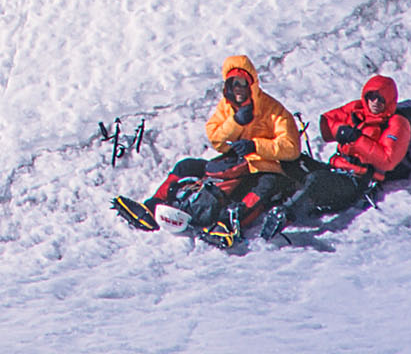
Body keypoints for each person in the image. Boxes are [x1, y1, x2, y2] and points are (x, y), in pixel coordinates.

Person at [112, 54, 299, 247]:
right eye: (233, 83)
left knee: (264, 187)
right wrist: (235, 122)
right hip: (235, 163)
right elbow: (216, 138)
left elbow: (292, 147)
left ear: (251, 84)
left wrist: (256, 146)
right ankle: (151, 207)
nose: (238, 88)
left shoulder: (273, 110)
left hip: (265, 167)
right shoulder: (226, 107)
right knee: (186, 166)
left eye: (243, 83)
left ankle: (227, 225)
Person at [257, 73, 411, 240]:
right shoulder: (358, 109)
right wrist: (340, 130)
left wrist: (358, 139)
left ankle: (285, 214)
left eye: (381, 99)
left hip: (356, 181)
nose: (375, 102)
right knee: (291, 161)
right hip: (335, 170)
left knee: (317, 180)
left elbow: (387, 160)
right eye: (372, 96)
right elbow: (326, 123)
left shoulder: (397, 123)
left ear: (389, 101)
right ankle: (257, 203)